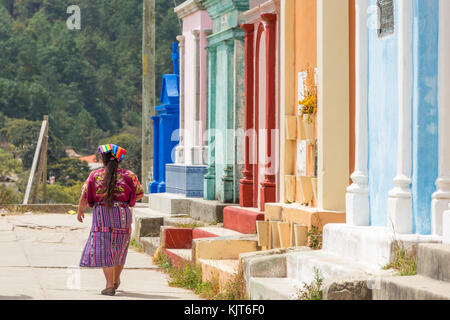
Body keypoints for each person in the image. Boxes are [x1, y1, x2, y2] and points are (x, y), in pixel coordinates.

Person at [77, 144, 144, 296]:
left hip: (102, 214)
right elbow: (139, 193)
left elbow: (85, 195)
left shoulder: (95, 175)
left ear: (102, 159)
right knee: (120, 248)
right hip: (122, 213)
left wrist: (80, 210)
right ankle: (116, 279)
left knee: (105, 249)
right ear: (119, 159)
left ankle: (109, 285)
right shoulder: (129, 175)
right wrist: (126, 199)